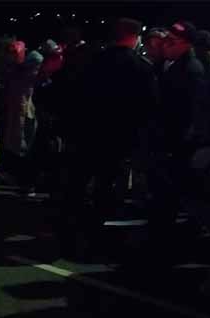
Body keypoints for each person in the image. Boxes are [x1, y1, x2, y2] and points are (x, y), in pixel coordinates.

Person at [63, 18, 157, 257]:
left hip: (87, 134)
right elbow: (148, 108)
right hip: (118, 139)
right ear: (134, 37)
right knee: (106, 186)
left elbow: (74, 95)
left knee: (79, 182)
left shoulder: (92, 61)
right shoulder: (141, 68)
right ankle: (97, 233)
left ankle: (72, 228)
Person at [147, 20, 206, 262]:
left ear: (186, 44)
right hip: (164, 140)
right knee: (163, 194)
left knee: (172, 195)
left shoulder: (191, 70)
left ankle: (165, 245)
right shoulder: (167, 64)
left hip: (176, 144)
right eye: (166, 40)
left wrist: (179, 144)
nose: (165, 44)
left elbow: (191, 113)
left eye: (171, 41)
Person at [0, 40, 40, 188]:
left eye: (15, 52)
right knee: (12, 145)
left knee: (24, 146)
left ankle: (23, 178)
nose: (13, 55)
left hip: (25, 114)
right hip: (12, 113)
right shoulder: (11, 70)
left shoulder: (29, 70)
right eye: (11, 52)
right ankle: (12, 174)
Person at [29, 40, 65, 197]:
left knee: (50, 149)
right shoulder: (46, 72)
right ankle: (39, 182)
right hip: (47, 116)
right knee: (44, 149)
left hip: (53, 117)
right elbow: (39, 93)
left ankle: (47, 183)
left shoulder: (58, 72)